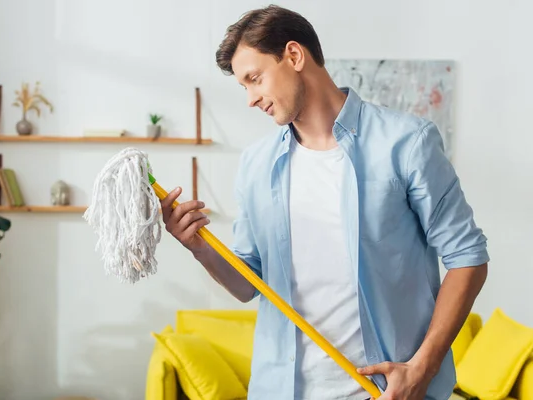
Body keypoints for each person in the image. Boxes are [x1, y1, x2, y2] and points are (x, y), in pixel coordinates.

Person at [160, 5, 489, 400]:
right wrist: (197, 247)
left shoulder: (406, 143)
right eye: (243, 86)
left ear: (294, 56)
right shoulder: (255, 164)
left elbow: (468, 257)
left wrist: (423, 367)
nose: (250, 99)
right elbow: (249, 285)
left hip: (386, 392)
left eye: (254, 78)